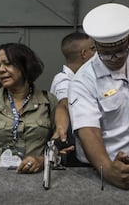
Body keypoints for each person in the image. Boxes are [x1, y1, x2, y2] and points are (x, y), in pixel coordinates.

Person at [68, 3, 129, 189]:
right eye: (106, 54)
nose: (114, 58)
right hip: (100, 169)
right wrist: (108, 169)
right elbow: (88, 131)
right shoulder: (83, 80)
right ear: (95, 46)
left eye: (121, 51)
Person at [0, 43, 57, 174]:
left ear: (25, 65)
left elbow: (61, 147)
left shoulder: (48, 101)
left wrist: (42, 160)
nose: (1, 70)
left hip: (37, 180)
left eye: (7, 64)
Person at [50, 32, 95, 164]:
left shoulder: (84, 78)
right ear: (83, 54)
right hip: (71, 151)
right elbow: (64, 104)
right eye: (93, 49)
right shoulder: (64, 80)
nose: (97, 54)